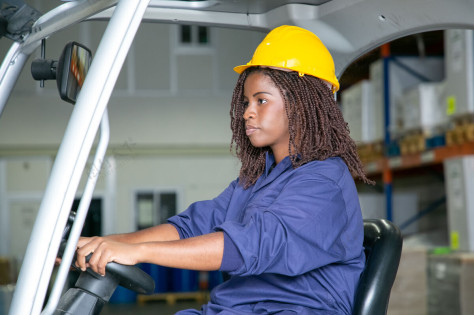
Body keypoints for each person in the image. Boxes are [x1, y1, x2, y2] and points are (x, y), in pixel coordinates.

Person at [75, 25, 373, 314]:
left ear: (300, 105)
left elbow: (252, 246)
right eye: (246, 102)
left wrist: (138, 253)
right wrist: (109, 243)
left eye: (261, 100)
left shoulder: (324, 181)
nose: (247, 112)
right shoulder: (257, 181)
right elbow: (190, 227)